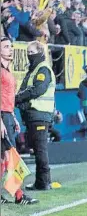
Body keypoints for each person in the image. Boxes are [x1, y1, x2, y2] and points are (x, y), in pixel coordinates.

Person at [15, 41, 56, 191]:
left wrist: (18, 98)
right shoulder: (33, 70)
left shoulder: (43, 69)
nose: (29, 55)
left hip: (40, 114)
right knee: (36, 149)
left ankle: (44, 181)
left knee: (40, 149)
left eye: (31, 52)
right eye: (28, 53)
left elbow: (38, 90)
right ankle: (41, 181)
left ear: (39, 52)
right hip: (33, 115)